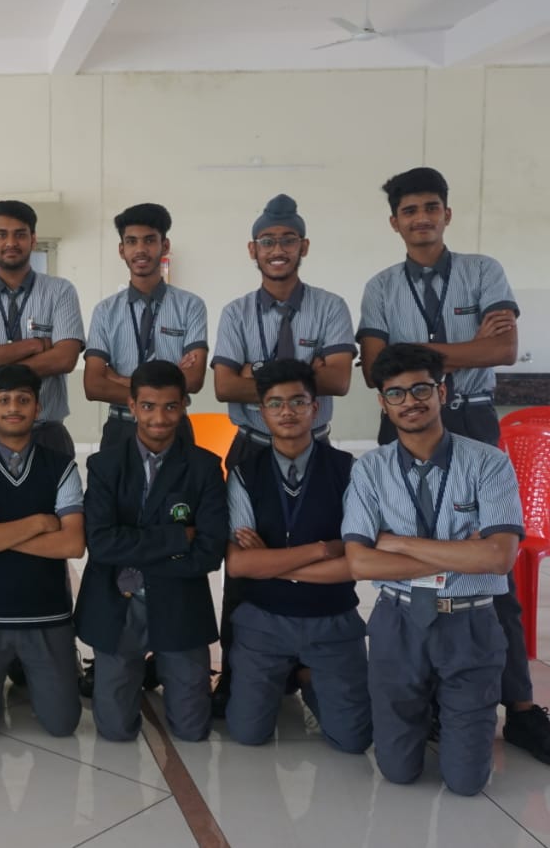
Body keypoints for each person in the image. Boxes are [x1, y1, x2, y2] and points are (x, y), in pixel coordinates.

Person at [357, 167, 549, 764]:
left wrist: (412, 358)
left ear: (447, 213)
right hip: (404, 422)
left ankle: (521, 707)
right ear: (394, 222)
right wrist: (461, 352)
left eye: (430, 207)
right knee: (406, 560)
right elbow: (376, 371)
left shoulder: (482, 271)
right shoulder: (381, 287)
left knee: (494, 572)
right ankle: (431, 693)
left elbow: (504, 349)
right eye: (409, 210)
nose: (421, 218)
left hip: (471, 420)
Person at [342, 343, 524, 795]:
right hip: (398, 620)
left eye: (421, 389)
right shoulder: (370, 470)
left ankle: (454, 722)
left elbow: (498, 558)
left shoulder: (489, 462)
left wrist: (399, 543)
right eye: (396, 393)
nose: (410, 401)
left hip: (470, 619)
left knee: (466, 783)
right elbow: (360, 562)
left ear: (442, 392)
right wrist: (462, 551)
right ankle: (423, 719)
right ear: (383, 403)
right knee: (398, 772)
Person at [209, 193, 356, 715]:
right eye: (267, 241)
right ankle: (238, 673)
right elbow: (224, 386)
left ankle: (308, 662)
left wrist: (258, 373)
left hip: (315, 447)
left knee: (320, 543)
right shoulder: (235, 312)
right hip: (250, 447)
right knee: (243, 564)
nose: (277, 249)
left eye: (287, 240)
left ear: (303, 246)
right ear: (253, 249)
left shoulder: (330, 307)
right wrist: (300, 375)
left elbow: (339, 380)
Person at [74, 360, 228, 743]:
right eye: (148, 406)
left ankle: (164, 667)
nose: (159, 418)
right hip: (118, 600)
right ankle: (140, 667)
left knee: (193, 730)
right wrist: (176, 539)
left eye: (170, 406)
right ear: (131, 406)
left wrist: (137, 547)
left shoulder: (205, 467)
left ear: (184, 404)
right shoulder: (105, 465)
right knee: (115, 731)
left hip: (178, 600)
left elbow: (209, 552)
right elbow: (101, 543)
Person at [223, 359, 371, 753]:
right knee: (248, 734)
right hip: (264, 620)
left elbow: (356, 562)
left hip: (332, 618)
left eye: (298, 401)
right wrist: (322, 549)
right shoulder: (243, 473)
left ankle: (305, 675)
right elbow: (239, 564)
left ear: (315, 408)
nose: (286, 411)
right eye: (275, 403)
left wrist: (271, 564)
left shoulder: (349, 471)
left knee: (354, 740)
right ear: (261, 411)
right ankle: (289, 670)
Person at [0, 364, 84, 739]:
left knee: (62, 725)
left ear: (37, 408)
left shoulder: (61, 466)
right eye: (4, 400)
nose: (13, 408)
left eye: (23, 400)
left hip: (47, 613)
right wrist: (40, 522)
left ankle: (25, 675)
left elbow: (73, 545)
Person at [0, 200, 84, 456]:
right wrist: (34, 345)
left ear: (33, 239)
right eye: (1, 235)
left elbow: (65, 358)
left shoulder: (60, 291)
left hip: (45, 433)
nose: (11, 242)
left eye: (20, 234)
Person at [84, 203, 207, 449]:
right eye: (132, 241)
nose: (140, 249)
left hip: (173, 427)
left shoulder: (190, 306)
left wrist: (118, 379)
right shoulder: (105, 311)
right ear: (122, 250)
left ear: (165, 246)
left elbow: (193, 380)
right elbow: (93, 385)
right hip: (121, 427)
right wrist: (167, 389)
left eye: (149, 240)